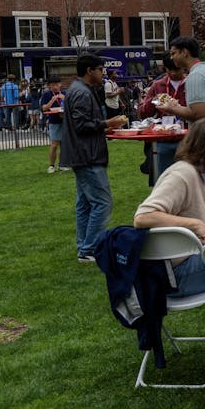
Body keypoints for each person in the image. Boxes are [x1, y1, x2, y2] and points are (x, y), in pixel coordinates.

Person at [133, 119, 205, 296]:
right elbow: (143, 217)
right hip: (176, 273)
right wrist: (195, 225)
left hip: (200, 256)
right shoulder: (183, 174)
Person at [61, 54, 127, 262]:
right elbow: (82, 125)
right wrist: (108, 123)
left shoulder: (79, 90)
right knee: (102, 202)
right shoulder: (81, 92)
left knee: (85, 204)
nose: (103, 73)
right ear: (90, 70)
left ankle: (84, 248)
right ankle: (90, 249)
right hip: (87, 155)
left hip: (82, 154)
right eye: (100, 69)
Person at [158, 36, 205, 129]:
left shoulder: (195, 76)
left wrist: (172, 108)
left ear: (185, 52)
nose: (171, 57)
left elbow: (197, 114)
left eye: (173, 53)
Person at [139, 56, 188, 178]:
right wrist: (153, 102)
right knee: (164, 176)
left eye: (176, 70)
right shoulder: (157, 85)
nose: (172, 73)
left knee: (187, 175)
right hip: (163, 138)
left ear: (182, 68)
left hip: (187, 137)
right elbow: (142, 113)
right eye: (169, 70)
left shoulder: (190, 83)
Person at [40, 78, 67, 173]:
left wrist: (64, 99)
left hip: (64, 120)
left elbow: (71, 106)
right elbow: (44, 108)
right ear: (50, 86)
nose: (55, 86)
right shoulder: (46, 95)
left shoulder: (64, 93)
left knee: (63, 144)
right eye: (53, 85)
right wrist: (52, 101)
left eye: (57, 84)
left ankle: (62, 164)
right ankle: (51, 166)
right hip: (54, 121)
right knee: (54, 144)